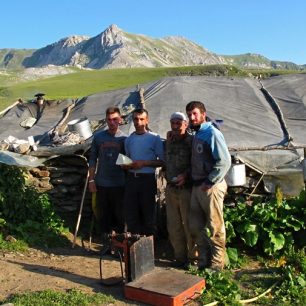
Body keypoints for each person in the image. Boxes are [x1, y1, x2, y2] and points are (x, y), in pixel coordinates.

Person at [185, 101, 231, 270]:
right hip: (198, 186)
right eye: (189, 114)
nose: (192, 117)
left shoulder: (212, 133)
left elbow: (225, 161)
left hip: (210, 186)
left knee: (215, 225)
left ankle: (217, 264)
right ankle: (203, 260)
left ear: (203, 114)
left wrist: (209, 181)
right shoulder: (198, 134)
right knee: (195, 225)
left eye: (195, 114)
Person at [122, 108, 164, 236]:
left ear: (147, 120)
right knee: (132, 212)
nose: (138, 122)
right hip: (131, 179)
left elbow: (162, 161)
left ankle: (149, 245)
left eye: (141, 119)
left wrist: (144, 163)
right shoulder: (128, 140)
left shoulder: (155, 138)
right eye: (135, 119)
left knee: (148, 213)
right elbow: (127, 159)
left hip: (147, 179)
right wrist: (126, 165)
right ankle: (134, 244)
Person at [88, 106, 127, 244]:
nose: (112, 122)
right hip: (102, 183)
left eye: (115, 119)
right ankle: (105, 245)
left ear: (120, 120)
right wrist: (91, 180)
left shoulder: (124, 139)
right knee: (103, 216)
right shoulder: (99, 137)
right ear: (106, 120)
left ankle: (119, 246)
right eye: (109, 120)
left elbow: (129, 160)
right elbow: (92, 159)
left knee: (120, 216)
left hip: (119, 183)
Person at [164, 112, 194, 268]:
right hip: (170, 189)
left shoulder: (191, 142)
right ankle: (179, 258)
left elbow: (197, 163)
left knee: (189, 225)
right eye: (173, 123)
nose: (175, 126)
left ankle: (193, 259)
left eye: (179, 123)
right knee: (174, 225)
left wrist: (186, 175)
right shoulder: (168, 141)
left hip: (186, 189)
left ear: (186, 124)